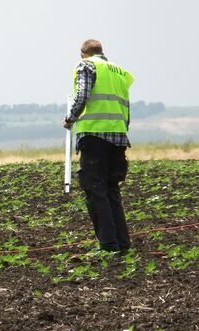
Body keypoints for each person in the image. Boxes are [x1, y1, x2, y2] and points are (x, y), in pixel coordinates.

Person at [63, 39, 134, 253]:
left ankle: (108, 244)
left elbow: (82, 95)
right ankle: (122, 243)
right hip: (118, 137)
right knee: (111, 190)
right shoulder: (120, 72)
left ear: (83, 53)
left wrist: (70, 117)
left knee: (95, 190)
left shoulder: (86, 66)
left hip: (95, 135)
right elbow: (126, 108)